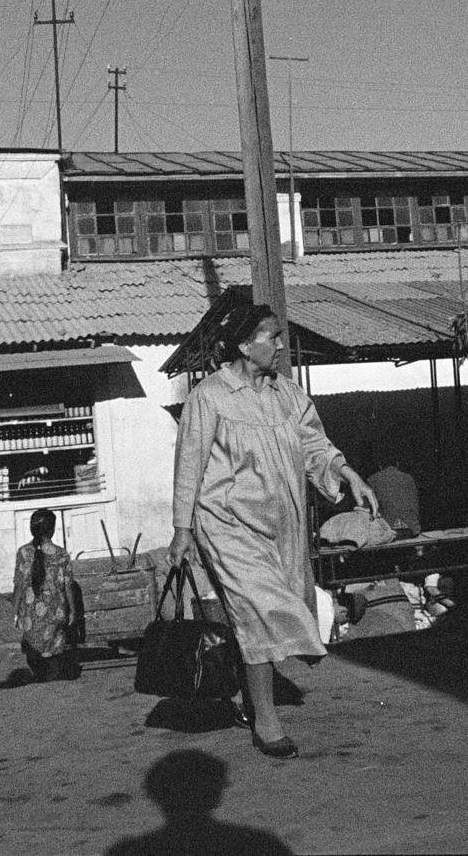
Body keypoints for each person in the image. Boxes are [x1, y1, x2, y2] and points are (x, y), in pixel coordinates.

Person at [168, 300, 379, 759]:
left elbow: (316, 445)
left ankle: (252, 694)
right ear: (245, 345)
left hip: (281, 524)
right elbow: (189, 463)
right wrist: (182, 529)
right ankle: (266, 721)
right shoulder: (210, 396)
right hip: (227, 524)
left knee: (258, 614)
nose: (281, 346)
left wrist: (350, 476)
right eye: (272, 337)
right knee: (261, 609)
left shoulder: (289, 394)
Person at [12, 508, 78, 682]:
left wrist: (16, 611)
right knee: (54, 648)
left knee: (34, 648)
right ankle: (52, 677)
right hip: (56, 612)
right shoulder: (61, 554)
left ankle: (42, 676)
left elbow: (19, 585)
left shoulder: (23, 553)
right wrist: (72, 610)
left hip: (31, 614)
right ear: (52, 530)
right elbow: (68, 586)